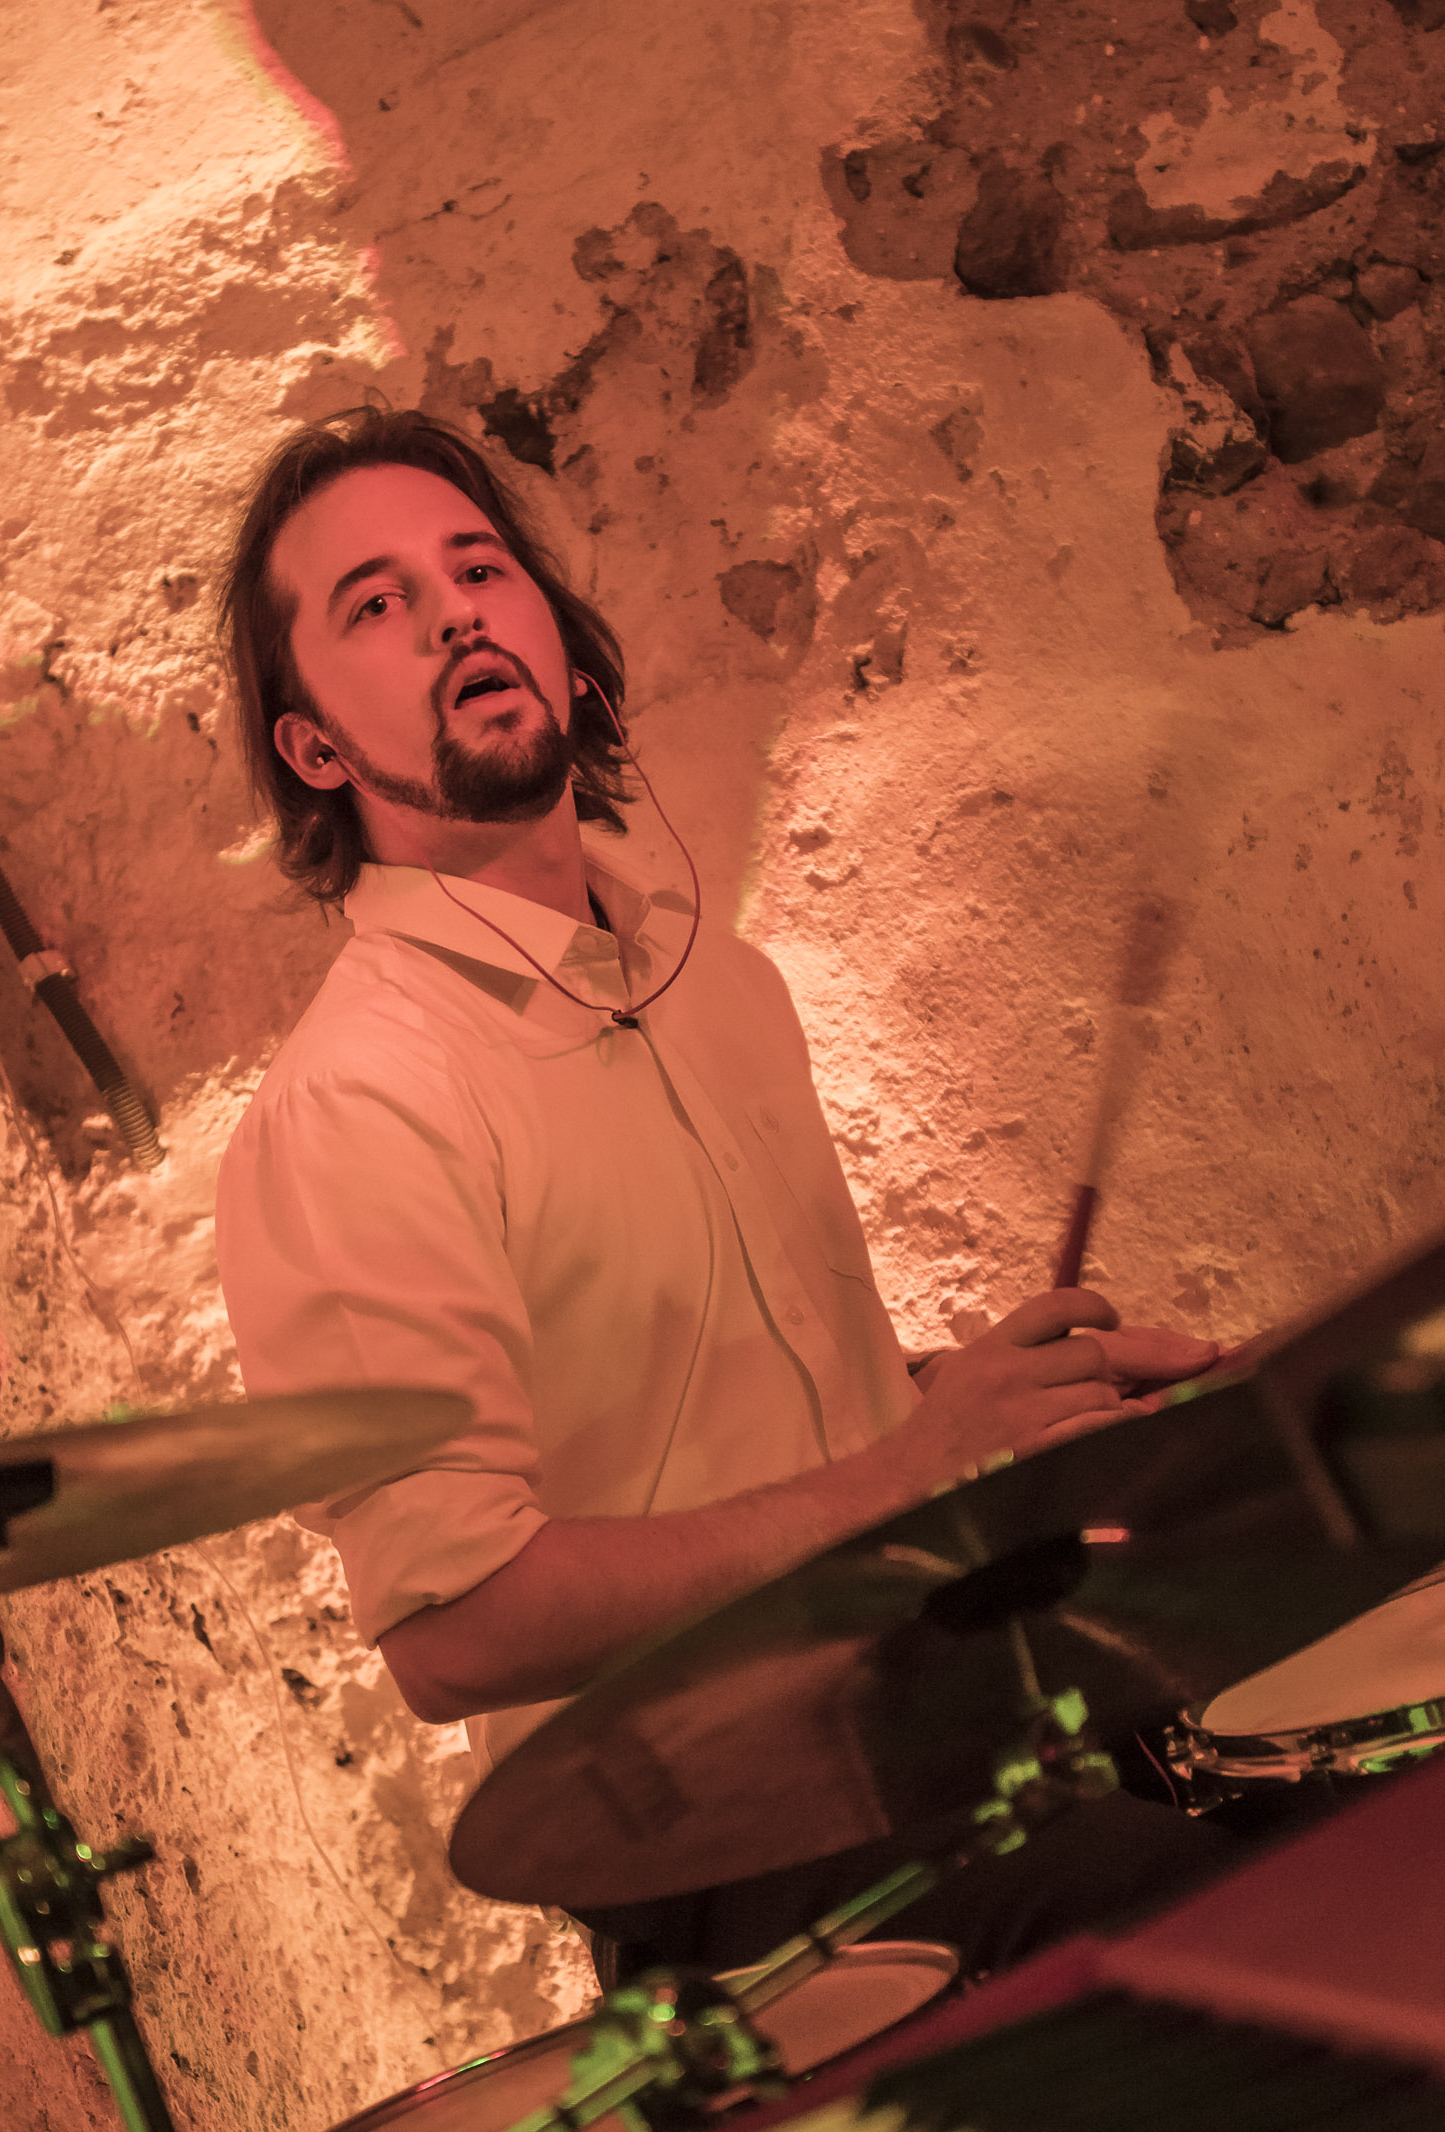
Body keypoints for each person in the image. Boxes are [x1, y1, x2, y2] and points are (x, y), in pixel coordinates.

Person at [213, 405, 1237, 1979]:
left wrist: (984, 1406)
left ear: (557, 642)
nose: (453, 615)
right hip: (725, 1854)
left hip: (944, 1705)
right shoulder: (360, 1103)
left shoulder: (719, 983)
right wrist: (907, 1474)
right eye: (375, 604)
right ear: (314, 748)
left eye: (477, 568)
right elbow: (456, 1630)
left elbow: (750, 1429)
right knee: (1223, 1926)